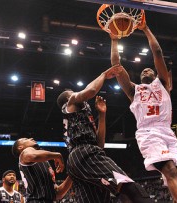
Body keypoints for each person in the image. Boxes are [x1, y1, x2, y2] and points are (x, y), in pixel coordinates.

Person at [111, 20, 177, 202]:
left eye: (150, 69)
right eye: (143, 70)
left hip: (167, 132)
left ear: (156, 75)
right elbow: (116, 66)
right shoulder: (134, 91)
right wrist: (114, 40)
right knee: (169, 171)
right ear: (140, 78)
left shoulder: (163, 84)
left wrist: (145, 28)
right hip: (148, 132)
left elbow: (158, 52)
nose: (147, 69)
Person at [56, 65, 154, 203]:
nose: (76, 93)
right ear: (67, 99)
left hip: (79, 159)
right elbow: (91, 90)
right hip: (84, 154)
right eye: (73, 92)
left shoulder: (77, 118)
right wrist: (103, 74)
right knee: (128, 187)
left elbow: (100, 145)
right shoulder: (70, 102)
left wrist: (102, 115)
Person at [11, 138, 72, 203]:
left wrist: (72, 174)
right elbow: (33, 156)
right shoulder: (24, 153)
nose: (31, 138)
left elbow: (58, 193)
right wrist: (57, 155)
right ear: (20, 147)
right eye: (26, 139)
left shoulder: (44, 161)